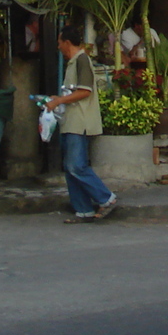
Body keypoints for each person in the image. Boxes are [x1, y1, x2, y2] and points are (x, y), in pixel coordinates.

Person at [47, 25, 116, 224]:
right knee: (70, 168)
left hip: (80, 121)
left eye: (60, 42)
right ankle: (83, 209)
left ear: (67, 43)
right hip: (70, 120)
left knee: (76, 166)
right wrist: (57, 99)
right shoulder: (73, 63)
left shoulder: (82, 61)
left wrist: (59, 101)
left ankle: (106, 198)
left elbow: (85, 91)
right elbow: (73, 92)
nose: (58, 47)